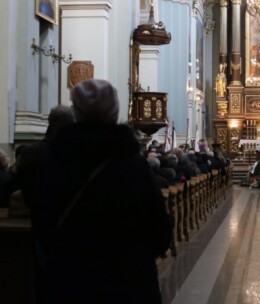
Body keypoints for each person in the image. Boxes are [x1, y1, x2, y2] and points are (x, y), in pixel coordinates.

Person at [27, 79, 172, 303]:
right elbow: (159, 232)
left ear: (77, 112)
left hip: (69, 281)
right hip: (127, 284)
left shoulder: (54, 161)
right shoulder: (133, 165)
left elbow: (41, 221)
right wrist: (134, 258)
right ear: (114, 111)